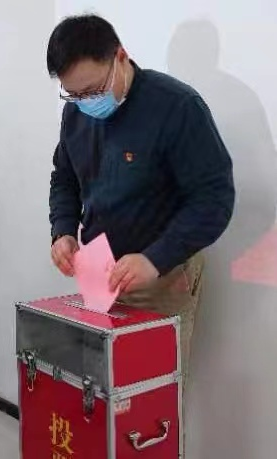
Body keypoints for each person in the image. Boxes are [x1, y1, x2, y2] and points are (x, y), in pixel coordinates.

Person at [47, 15, 235, 388]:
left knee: (150, 394)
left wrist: (155, 259)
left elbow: (214, 199)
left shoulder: (177, 107)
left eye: (93, 90)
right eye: (74, 94)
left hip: (161, 278)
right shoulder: (76, 113)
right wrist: (63, 230)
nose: (86, 102)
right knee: (101, 387)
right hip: (100, 274)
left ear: (120, 57)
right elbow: (64, 178)